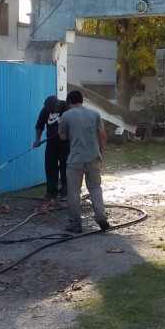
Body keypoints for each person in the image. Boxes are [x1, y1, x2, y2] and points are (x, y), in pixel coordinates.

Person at [58, 90, 110, 233]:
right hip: (93, 157)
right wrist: (100, 151)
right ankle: (101, 217)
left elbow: (62, 137)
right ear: (82, 100)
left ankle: (75, 223)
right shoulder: (95, 113)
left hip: (75, 159)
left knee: (74, 191)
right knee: (95, 188)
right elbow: (103, 134)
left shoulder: (66, 116)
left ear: (69, 102)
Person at [33, 95, 69, 201]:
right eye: (47, 108)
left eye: (50, 109)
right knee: (50, 167)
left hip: (66, 144)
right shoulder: (45, 110)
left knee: (65, 167)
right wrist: (38, 140)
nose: (48, 110)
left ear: (56, 106)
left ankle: (65, 192)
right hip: (51, 143)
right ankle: (51, 192)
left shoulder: (66, 108)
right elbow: (39, 125)